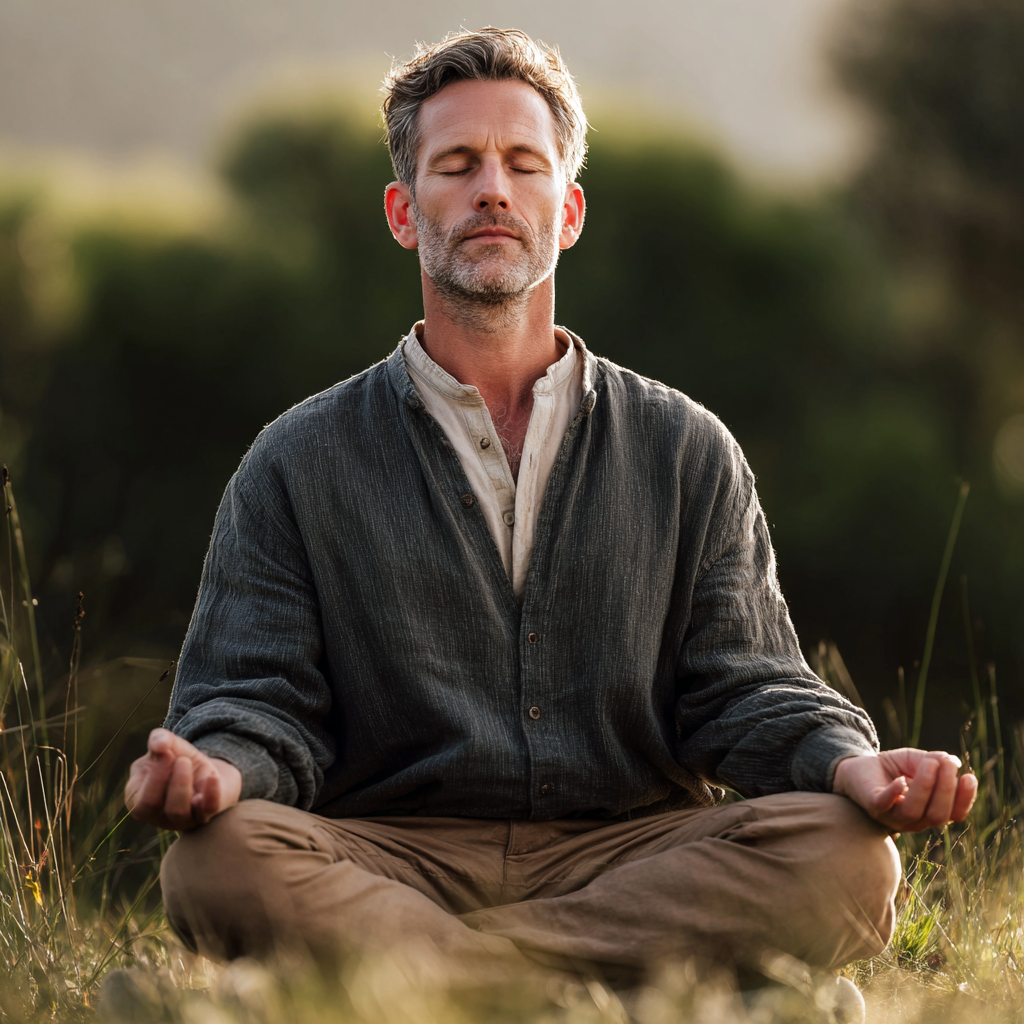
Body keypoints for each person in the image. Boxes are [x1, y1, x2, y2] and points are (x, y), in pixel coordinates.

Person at [126, 25, 976, 1004]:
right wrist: (217, 771)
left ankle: (433, 983)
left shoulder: (684, 447)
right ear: (404, 213)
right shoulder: (295, 461)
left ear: (565, 212)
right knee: (215, 859)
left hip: (631, 857)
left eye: (522, 164)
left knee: (850, 857)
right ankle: (612, 993)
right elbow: (256, 699)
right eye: (457, 165)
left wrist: (850, 765)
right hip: (389, 855)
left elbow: (743, 685)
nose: (492, 188)